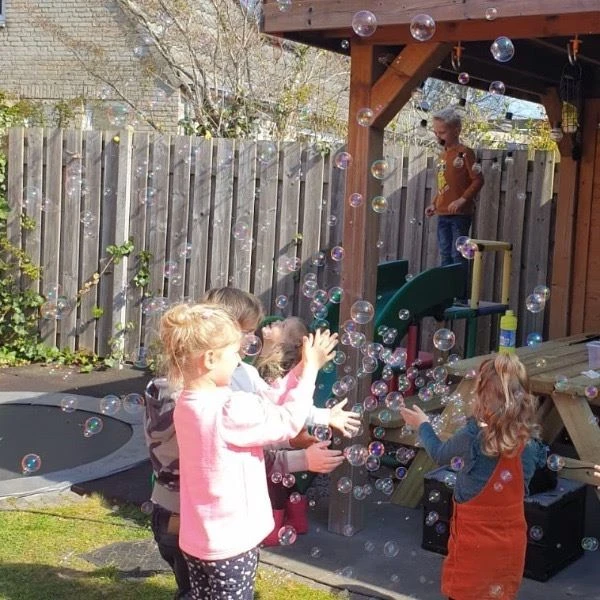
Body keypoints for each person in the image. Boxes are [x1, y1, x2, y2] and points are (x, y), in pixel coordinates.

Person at [161, 302, 337, 599]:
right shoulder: (229, 409)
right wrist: (310, 372)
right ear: (210, 359)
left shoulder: (187, 402)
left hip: (198, 540)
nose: (239, 359)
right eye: (234, 353)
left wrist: (301, 368)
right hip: (232, 544)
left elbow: (269, 400)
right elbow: (287, 421)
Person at [400, 354, 547, 600]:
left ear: (482, 398)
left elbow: (439, 453)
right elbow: (521, 486)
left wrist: (423, 425)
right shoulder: (530, 445)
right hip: (509, 545)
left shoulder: (472, 437)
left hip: (473, 546)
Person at [425, 108, 484, 298]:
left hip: (460, 215)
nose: (438, 136)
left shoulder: (465, 153)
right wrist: (434, 203)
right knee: (445, 254)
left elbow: (478, 180)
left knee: (458, 254)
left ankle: (460, 295)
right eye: (435, 132)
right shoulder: (443, 155)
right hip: (442, 214)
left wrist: (462, 199)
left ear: (457, 130)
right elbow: (444, 186)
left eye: (442, 132)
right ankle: (447, 294)